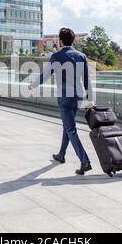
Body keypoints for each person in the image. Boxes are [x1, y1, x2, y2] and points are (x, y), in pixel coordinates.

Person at [30, 28, 95, 175]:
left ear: (60, 41)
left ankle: (85, 161)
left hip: (64, 97)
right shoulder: (81, 56)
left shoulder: (56, 56)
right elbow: (87, 79)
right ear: (72, 40)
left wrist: (32, 85)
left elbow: (45, 75)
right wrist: (90, 99)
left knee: (70, 128)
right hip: (77, 96)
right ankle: (61, 155)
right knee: (68, 124)